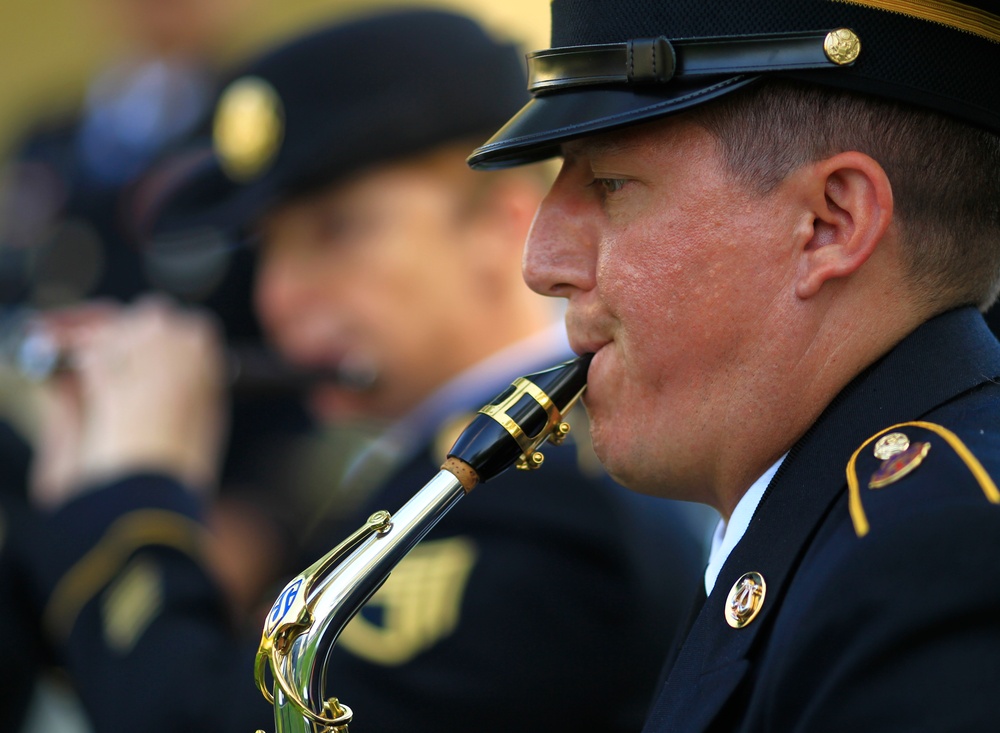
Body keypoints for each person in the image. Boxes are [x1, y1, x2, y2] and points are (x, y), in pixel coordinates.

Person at [18, 9, 712, 733]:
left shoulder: (544, 504)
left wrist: (131, 497)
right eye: (266, 250)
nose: (279, 296)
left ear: (503, 224)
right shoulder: (412, 468)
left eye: (337, 230)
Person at [468, 0, 1000, 731]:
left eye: (610, 183)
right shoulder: (856, 534)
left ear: (828, 225)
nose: (541, 264)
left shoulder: (932, 562)